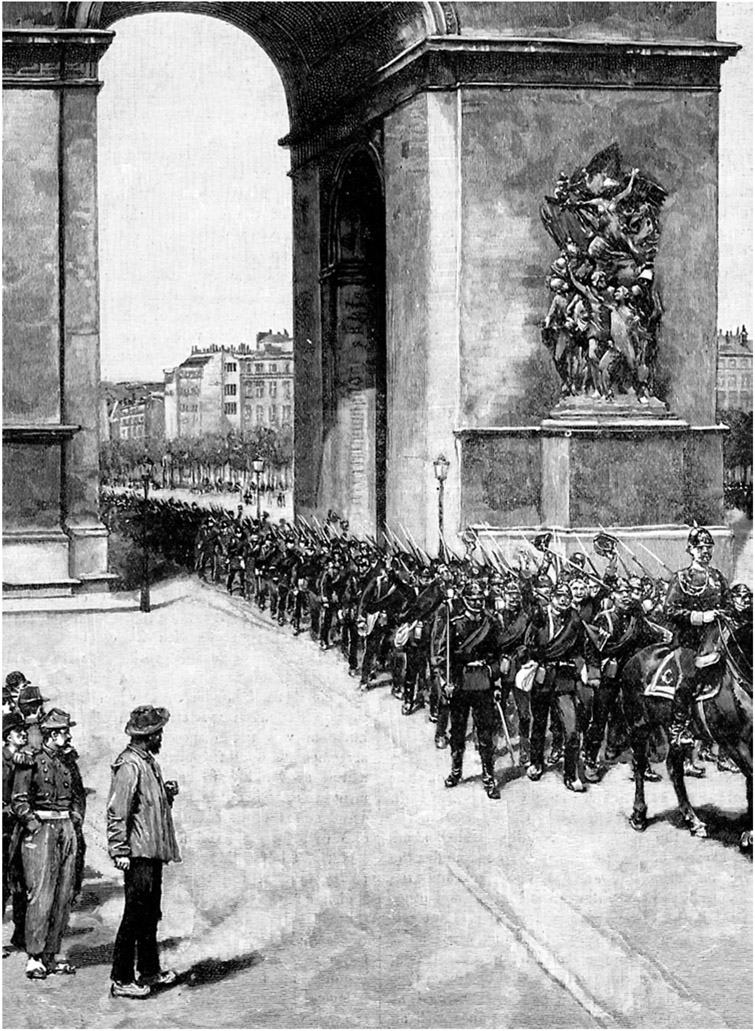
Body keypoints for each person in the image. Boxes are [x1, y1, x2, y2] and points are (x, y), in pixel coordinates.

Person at [107, 705, 181, 999]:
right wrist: (119, 849)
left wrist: (166, 794)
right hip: (137, 853)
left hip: (151, 851)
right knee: (135, 915)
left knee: (150, 913)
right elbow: (117, 810)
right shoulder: (128, 765)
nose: (160, 736)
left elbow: (148, 804)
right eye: (157, 732)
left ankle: (149, 970)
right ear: (148, 735)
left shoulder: (148, 762)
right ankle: (121, 978)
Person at [11, 709, 84, 980]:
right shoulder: (30, 760)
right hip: (41, 831)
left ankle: (51, 954)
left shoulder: (68, 762)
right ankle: (34, 957)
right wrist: (34, 826)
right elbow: (19, 800)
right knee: (41, 895)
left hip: (66, 829)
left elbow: (77, 795)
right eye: (65, 731)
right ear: (53, 734)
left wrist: (74, 819)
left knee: (63, 895)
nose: (69, 735)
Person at [525, 580, 600, 792]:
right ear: (552, 597)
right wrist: (535, 661)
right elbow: (528, 643)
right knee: (539, 723)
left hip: (564, 680)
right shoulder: (539, 617)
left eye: (567, 597)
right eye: (560, 596)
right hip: (542, 677)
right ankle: (536, 763)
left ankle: (570, 774)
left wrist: (585, 668)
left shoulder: (574, 620)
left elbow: (584, 649)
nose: (564, 600)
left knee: (572, 728)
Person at [664, 526, 731, 748]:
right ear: (691, 550)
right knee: (688, 677)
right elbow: (670, 610)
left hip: (716, 639)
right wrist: (701, 616)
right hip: (689, 640)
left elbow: (728, 604)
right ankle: (678, 726)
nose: (705, 552)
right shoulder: (681, 577)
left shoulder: (717, 577)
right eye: (700, 548)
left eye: (709, 547)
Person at [436, 580, 504, 799]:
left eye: (480, 600)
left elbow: (496, 655)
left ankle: (488, 776)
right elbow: (443, 655)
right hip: (460, 682)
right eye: (473, 600)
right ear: (464, 600)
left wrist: (495, 682)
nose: (477, 603)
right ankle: (456, 771)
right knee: (457, 730)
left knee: (485, 731)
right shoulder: (454, 622)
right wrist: (445, 682)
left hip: (483, 682)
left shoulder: (491, 623)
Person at [3, 712, 33, 957]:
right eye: (18, 731)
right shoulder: (3, 761)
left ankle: (20, 935)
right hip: (4, 830)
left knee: (21, 884)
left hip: (20, 829)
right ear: (7, 736)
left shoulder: (25, 759)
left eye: (24, 730)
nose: (23, 733)